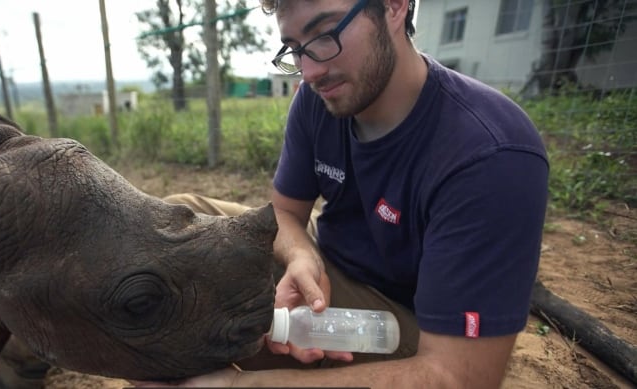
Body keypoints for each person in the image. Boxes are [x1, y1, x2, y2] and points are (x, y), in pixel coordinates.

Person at [132, 0, 550, 387]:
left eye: (325, 35)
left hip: (410, 329)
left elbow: (459, 377)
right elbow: (286, 213)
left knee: (193, 292)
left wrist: (244, 385)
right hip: (331, 264)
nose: (309, 72)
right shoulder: (322, 100)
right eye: (295, 48)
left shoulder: (489, 153)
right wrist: (301, 256)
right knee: (173, 225)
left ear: (395, 5)